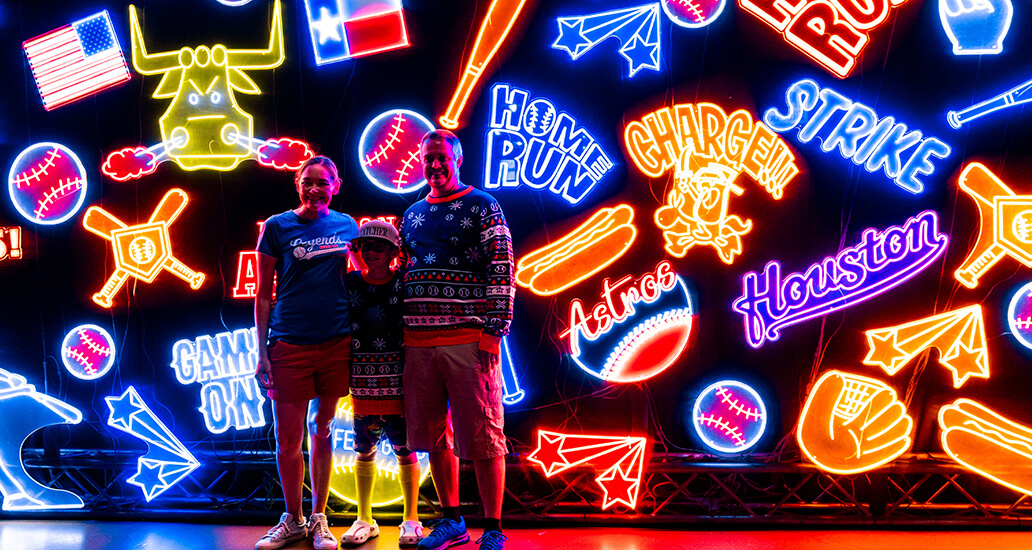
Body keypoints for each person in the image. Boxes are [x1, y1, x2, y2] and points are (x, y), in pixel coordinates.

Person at [401, 130, 514, 550]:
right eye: (427, 158)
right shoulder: (411, 213)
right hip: (417, 341)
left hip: (469, 338)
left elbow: (502, 268)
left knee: (484, 435)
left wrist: (493, 332)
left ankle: (494, 528)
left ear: (458, 159)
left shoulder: (483, 205)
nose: (434, 165)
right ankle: (452, 521)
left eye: (441, 157)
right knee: (433, 435)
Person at [253, 156, 359, 550]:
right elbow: (263, 295)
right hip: (289, 343)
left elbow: (359, 277)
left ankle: (318, 518)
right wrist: (262, 351)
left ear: (335, 185)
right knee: (288, 438)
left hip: (336, 341)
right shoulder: (277, 226)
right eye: (308, 182)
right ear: (298, 184)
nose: (315, 189)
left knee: (324, 428)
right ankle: (293, 519)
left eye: (322, 182)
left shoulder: (348, 226)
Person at [341, 220, 424, 547]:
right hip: (362, 382)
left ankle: (411, 519)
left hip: (400, 381)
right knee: (364, 450)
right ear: (357, 250)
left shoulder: (405, 283)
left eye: (379, 246)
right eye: (365, 246)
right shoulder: (350, 283)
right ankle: (364, 517)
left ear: (394, 251)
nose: (371, 252)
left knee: (406, 451)